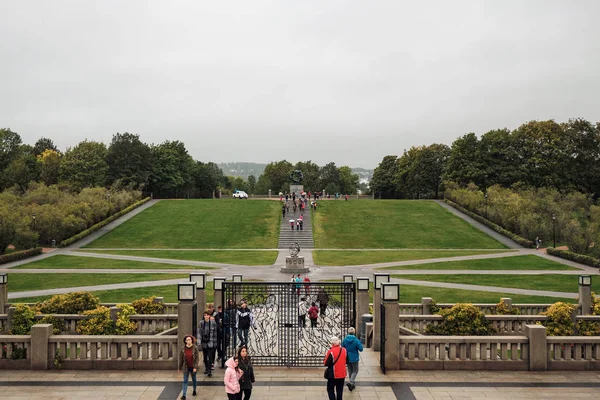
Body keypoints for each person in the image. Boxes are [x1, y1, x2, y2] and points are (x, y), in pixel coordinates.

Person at [342, 327, 363, 391]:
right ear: (354, 332)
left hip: (347, 357)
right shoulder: (356, 340)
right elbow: (361, 349)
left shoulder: (345, 340)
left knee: (350, 370)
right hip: (354, 357)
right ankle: (351, 381)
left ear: (348, 332)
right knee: (355, 370)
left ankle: (352, 384)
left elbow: (342, 348)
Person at [178, 335, 199, 400]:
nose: (189, 341)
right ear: (185, 341)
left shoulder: (195, 347)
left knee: (194, 379)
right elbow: (181, 359)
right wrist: (179, 367)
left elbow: (197, 359)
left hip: (193, 366)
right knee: (185, 381)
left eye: (190, 339)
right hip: (186, 367)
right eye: (187, 340)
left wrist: (195, 367)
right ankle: (184, 395)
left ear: (192, 340)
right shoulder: (182, 349)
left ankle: (194, 390)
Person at [198, 311, 217, 377]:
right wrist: (199, 341)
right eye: (205, 315)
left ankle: (209, 370)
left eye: (207, 315)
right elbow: (199, 332)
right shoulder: (201, 323)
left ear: (209, 316)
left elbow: (215, 333)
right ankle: (206, 368)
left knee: (210, 356)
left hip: (211, 342)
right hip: (204, 342)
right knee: (205, 356)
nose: (206, 316)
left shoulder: (213, 323)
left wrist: (215, 343)